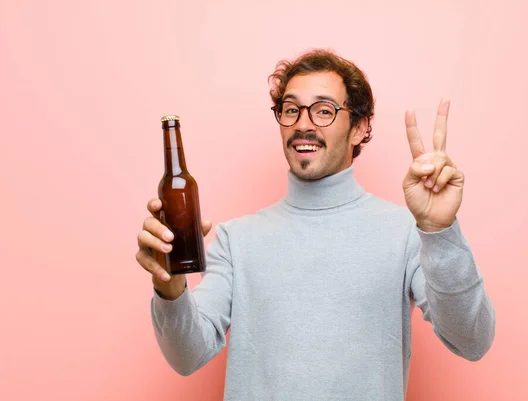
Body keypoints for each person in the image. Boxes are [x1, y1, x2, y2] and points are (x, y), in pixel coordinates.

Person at [136, 49, 496, 401]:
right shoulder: (235, 240)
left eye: (324, 110)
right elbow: (187, 355)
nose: (303, 124)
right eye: (291, 110)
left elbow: (472, 340)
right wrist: (168, 283)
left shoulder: (405, 233)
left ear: (360, 127)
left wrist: (439, 231)